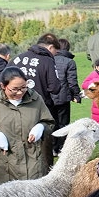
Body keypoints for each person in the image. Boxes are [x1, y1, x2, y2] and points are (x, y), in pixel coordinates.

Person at [0, 66, 54, 185]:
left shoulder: (35, 98)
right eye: (14, 89)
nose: (20, 92)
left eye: (23, 88)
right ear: (3, 86)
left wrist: (41, 127)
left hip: (33, 161)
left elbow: (49, 123)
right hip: (5, 165)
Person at [12, 32, 61, 169]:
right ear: (50, 47)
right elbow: (55, 87)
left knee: (21, 147)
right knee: (43, 149)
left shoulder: (17, 59)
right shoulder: (47, 61)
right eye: (55, 52)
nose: (54, 55)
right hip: (40, 111)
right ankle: (44, 177)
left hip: (15, 109)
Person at [51, 38, 82, 156]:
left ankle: (53, 148)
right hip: (63, 97)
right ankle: (61, 148)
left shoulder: (49, 60)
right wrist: (76, 95)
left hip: (50, 97)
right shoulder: (69, 62)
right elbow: (72, 82)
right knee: (63, 124)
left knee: (52, 123)